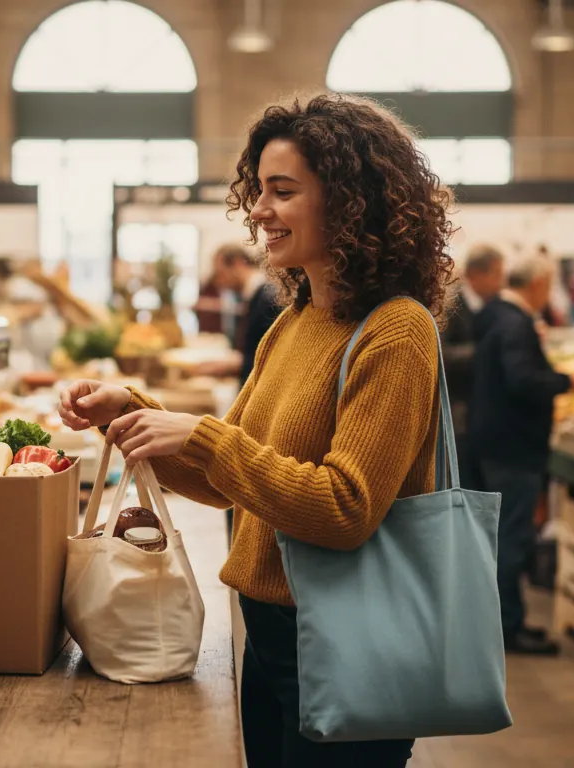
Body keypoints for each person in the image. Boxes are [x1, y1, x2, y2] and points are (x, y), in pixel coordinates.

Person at [58, 95, 451, 767]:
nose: (258, 211)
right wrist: (134, 413)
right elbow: (226, 483)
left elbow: (344, 509)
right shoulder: (293, 322)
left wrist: (205, 437)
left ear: (349, 200)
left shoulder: (396, 330)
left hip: (351, 637)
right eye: (257, 191)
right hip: (269, 631)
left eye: (283, 191)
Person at [470, 255, 574, 656]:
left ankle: (502, 622)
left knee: (501, 536)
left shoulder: (492, 314)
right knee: (512, 538)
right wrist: (567, 381)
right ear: (536, 284)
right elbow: (521, 380)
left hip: (492, 441)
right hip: (513, 446)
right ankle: (507, 628)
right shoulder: (515, 323)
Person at [441, 244, 504, 491]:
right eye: (497, 274)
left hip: (482, 414)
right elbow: (441, 355)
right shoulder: (451, 304)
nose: (501, 281)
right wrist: (482, 353)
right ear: (477, 275)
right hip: (459, 416)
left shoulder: (494, 305)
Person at [202, 244, 283, 384]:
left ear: (238, 264)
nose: (221, 283)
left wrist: (230, 366)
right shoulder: (254, 296)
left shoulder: (268, 298)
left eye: (221, 273)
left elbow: (272, 358)